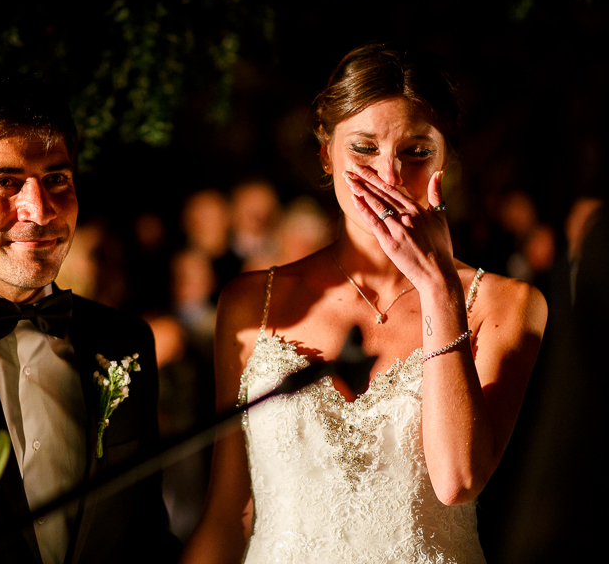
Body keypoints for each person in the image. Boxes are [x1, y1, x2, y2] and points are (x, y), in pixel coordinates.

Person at [181, 42, 547, 563]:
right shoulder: (252, 301)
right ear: (326, 152)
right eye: (364, 148)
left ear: (448, 160)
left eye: (417, 151)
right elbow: (227, 516)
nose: (389, 175)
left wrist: (439, 289)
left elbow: (457, 479)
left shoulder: (507, 303)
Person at [0, 74, 177, 564]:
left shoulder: (125, 343)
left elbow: (145, 536)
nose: (41, 209)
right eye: (5, 182)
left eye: (57, 179)